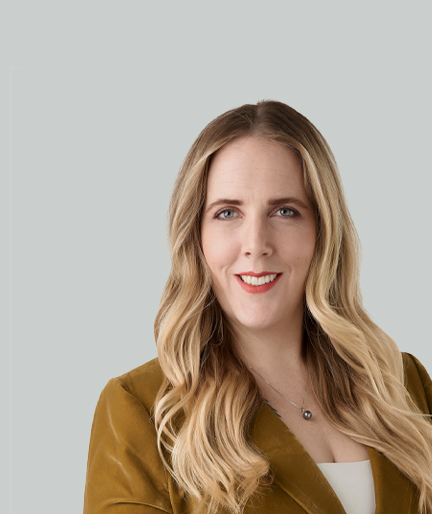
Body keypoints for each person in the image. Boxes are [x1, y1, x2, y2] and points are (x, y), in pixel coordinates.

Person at [83, 100, 432, 514]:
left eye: (285, 211)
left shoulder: (402, 386)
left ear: (322, 230)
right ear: (197, 237)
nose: (255, 244)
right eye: (227, 213)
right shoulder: (143, 410)